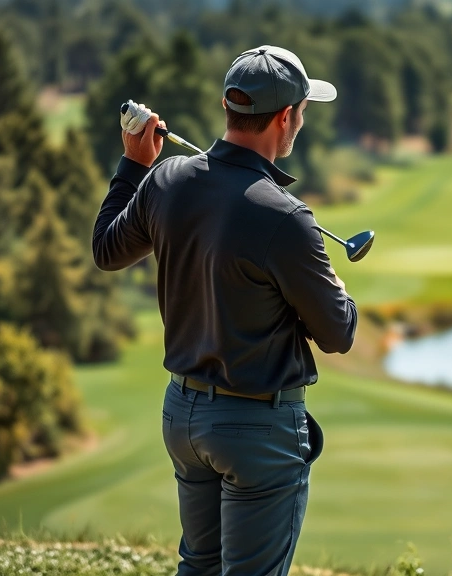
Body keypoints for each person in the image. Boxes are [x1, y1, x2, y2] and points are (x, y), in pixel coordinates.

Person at [92, 45, 357, 576]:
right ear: (285, 117)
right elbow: (338, 331)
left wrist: (133, 165)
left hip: (184, 418)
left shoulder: (164, 180)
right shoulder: (286, 217)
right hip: (255, 431)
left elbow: (107, 248)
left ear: (228, 105)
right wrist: (335, 288)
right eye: (302, 112)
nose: (300, 123)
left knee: (199, 567)